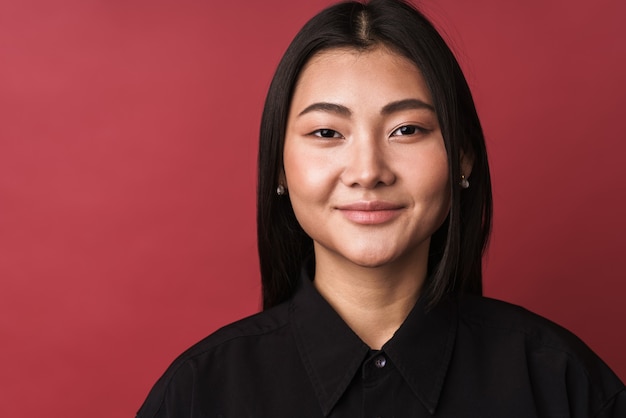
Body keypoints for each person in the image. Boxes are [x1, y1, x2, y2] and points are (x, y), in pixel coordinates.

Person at [137, 0, 625, 416]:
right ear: (280, 169)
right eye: (327, 133)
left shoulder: (560, 383)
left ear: (462, 157)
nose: (368, 171)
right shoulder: (199, 394)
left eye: (407, 130)